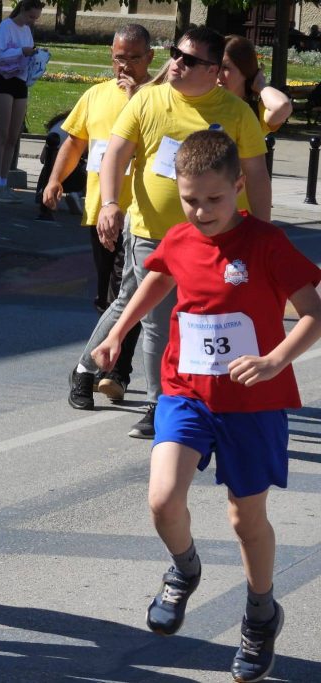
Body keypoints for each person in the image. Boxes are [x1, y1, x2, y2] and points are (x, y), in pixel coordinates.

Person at [92, 130, 321, 683]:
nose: (200, 211)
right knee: (162, 499)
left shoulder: (266, 243)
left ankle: (261, 612)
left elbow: (314, 313)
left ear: (238, 185)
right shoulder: (179, 237)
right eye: (190, 200)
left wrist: (275, 360)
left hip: (253, 402)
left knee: (246, 519)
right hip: (186, 390)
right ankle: (183, 569)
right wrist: (117, 333)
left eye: (213, 199)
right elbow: (155, 281)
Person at [79, 26, 270, 439]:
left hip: (219, 241)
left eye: (190, 59)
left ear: (214, 70)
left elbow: (256, 174)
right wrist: (110, 203)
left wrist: (263, 232)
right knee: (156, 320)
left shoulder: (236, 112)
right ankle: (158, 402)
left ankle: (212, 395)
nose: (177, 63)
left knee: (214, 318)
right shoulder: (149, 99)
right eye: (175, 53)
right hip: (153, 234)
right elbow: (116, 154)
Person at [46, 24, 153, 406]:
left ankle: (112, 373)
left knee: (127, 296)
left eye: (134, 58)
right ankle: (102, 366)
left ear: (150, 58)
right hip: (99, 212)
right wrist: (55, 179)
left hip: (140, 215)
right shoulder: (95, 95)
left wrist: (137, 97)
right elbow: (74, 142)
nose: (125, 66)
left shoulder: (157, 98)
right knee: (107, 296)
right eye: (119, 58)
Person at [0, 0, 43, 203]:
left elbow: (27, 55)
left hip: (20, 82)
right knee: (2, 133)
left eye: (36, 18)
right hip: (4, 80)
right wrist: (21, 51)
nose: (32, 21)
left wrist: (36, 57)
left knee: (13, 136)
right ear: (23, 10)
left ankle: (4, 182)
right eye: (31, 16)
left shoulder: (27, 30)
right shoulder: (6, 27)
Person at [219, 36, 293, 134]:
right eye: (215, 66)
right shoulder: (204, 102)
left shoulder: (256, 111)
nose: (217, 73)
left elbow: (282, 105)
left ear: (245, 71)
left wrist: (261, 85)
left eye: (225, 68)